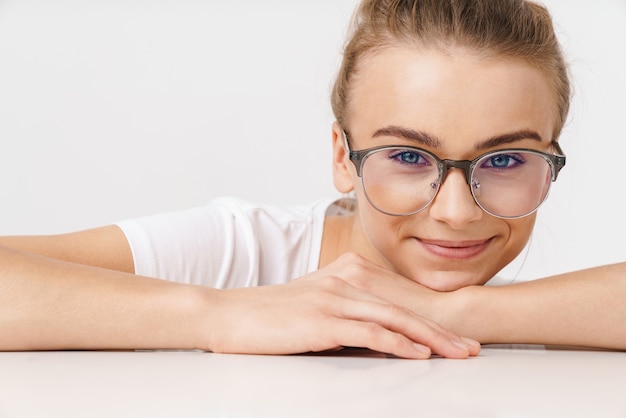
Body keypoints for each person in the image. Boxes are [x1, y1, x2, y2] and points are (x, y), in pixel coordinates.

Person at [1, 0, 625, 359]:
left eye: (505, 160)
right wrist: (222, 315)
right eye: (408, 158)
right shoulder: (242, 252)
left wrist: (456, 312)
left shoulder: (524, 312)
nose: (457, 212)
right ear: (341, 156)